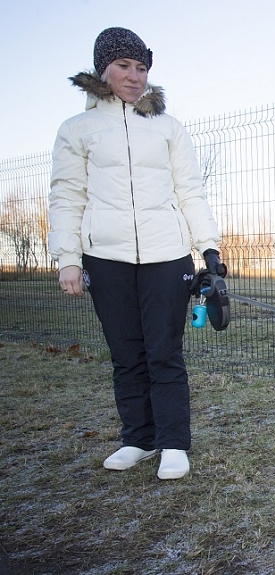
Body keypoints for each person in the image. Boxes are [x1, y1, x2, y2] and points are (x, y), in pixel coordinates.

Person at [49, 27, 225, 480]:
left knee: (164, 353)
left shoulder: (168, 128)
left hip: (167, 256)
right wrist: (68, 257)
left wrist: (209, 249)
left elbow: (191, 191)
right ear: (102, 69)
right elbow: (67, 194)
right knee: (126, 353)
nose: (134, 76)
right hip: (105, 258)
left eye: (141, 67)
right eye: (124, 66)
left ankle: (172, 443)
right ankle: (137, 439)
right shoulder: (76, 130)